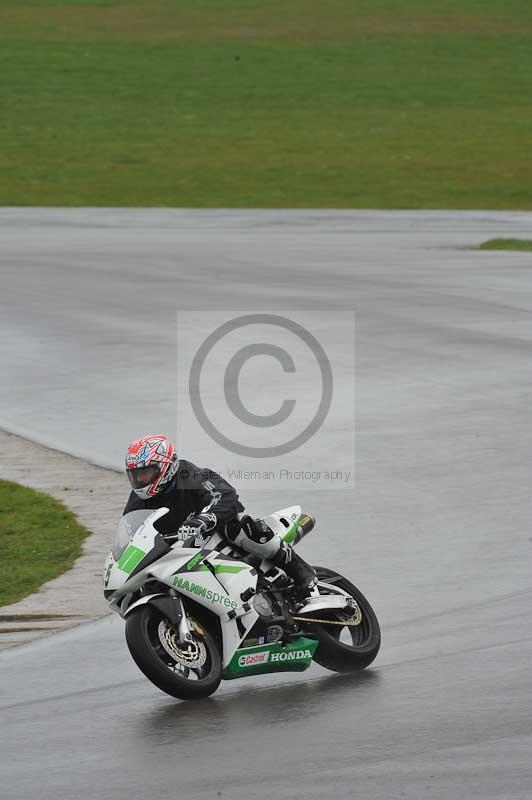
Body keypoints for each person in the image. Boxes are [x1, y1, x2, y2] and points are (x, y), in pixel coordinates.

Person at [123, 434, 317, 593]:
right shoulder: (138, 500)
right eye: (135, 475)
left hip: (214, 533)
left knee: (239, 526)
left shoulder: (189, 474)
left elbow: (225, 495)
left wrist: (205, 518)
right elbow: (132, 531)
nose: (139, 479)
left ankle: (302, 573)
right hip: (181, 549)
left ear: (165, 467)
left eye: (144, 473)